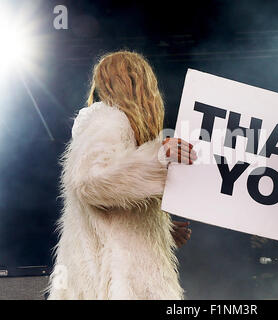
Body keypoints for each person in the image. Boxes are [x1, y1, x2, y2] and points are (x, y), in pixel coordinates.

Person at [47, 50, 197, 299]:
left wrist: (162, 232)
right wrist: (157, 158)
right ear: (138, 82)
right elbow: (90, 183)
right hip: (114, 284)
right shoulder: (108, 121)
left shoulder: (123, 129)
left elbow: (114, 215)